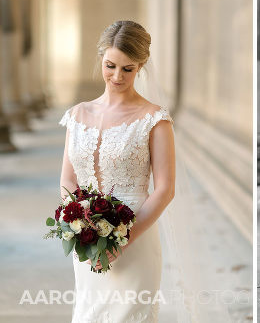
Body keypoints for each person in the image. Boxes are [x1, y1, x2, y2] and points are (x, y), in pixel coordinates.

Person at [59, 20, 174, 322]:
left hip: (135, 236)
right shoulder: (77, 114)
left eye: (128, 69)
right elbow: (68, 179)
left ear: (141, 66)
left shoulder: (154, 119)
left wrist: (122, 241)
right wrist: (79, 225)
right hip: (86, 243)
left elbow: (165, 189)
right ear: (101, 58)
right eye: (110, 66)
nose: (117, 76)